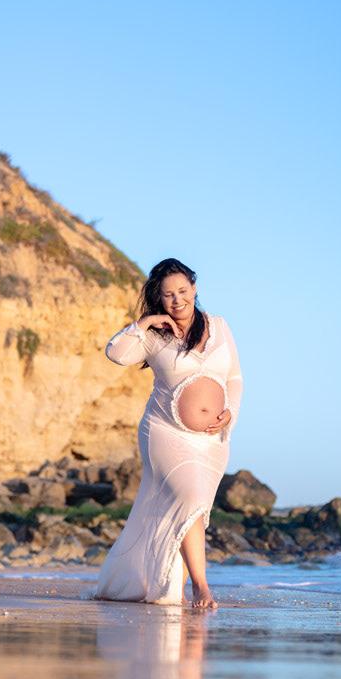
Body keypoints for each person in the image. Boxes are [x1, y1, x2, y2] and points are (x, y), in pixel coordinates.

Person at [94, 259, 242, 608]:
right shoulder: (153, 336)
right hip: (164, 433)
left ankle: (163, 579)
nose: (177, 301)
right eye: (167, 295)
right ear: (159, 299)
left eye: (182, 292)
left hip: (212, 442)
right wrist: (144, 323)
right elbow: (115, 353)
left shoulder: (219, 327)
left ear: (194, 288)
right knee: (190, 499)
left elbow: (234, 378)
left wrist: (231, 413)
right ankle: (200, 588)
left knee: (194, 510)